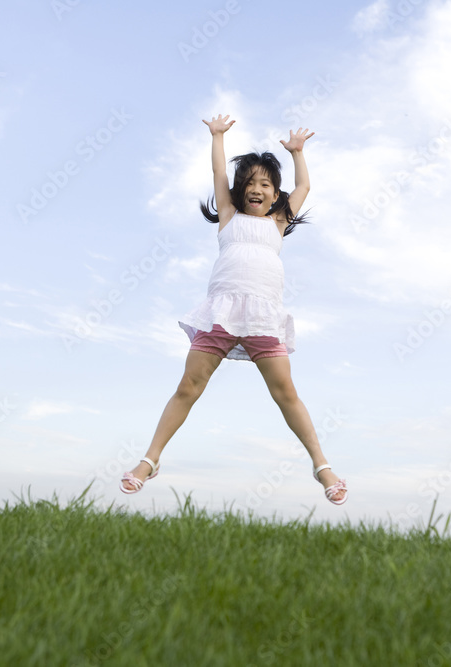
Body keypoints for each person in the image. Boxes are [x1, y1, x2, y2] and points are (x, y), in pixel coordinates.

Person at [120, 114, 347, 505]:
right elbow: (217, 171)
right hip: (221, 315)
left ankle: (321, 466)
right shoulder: (228, 215)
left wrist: (297, 153)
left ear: (276, 195)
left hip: (263, 319)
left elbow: (305, 184)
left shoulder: (278, 220)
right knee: (188, 388)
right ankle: (150, 459)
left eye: (266, 184)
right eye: (251, 184)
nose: (257, 189)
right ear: (241, 191)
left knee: (286, 394)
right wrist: (218, 137)